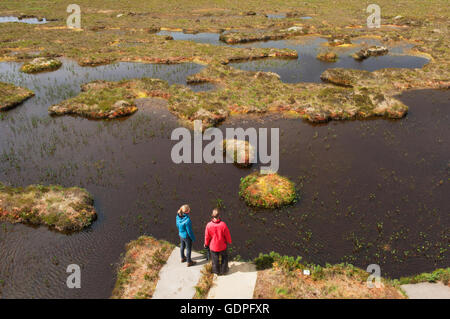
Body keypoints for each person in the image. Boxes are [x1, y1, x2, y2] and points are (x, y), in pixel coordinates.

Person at [204, 208, 232, 275]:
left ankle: (216, 271)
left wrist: (206, 244)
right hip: (222, 246)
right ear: (219, 215)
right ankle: (224, 270)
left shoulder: (209, 225)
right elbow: (227, 235)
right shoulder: (223, 225)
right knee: (224, 258)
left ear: (212, 216)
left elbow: (207, 237)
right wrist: (229, 241)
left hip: (213, 246)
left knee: (215, 260)